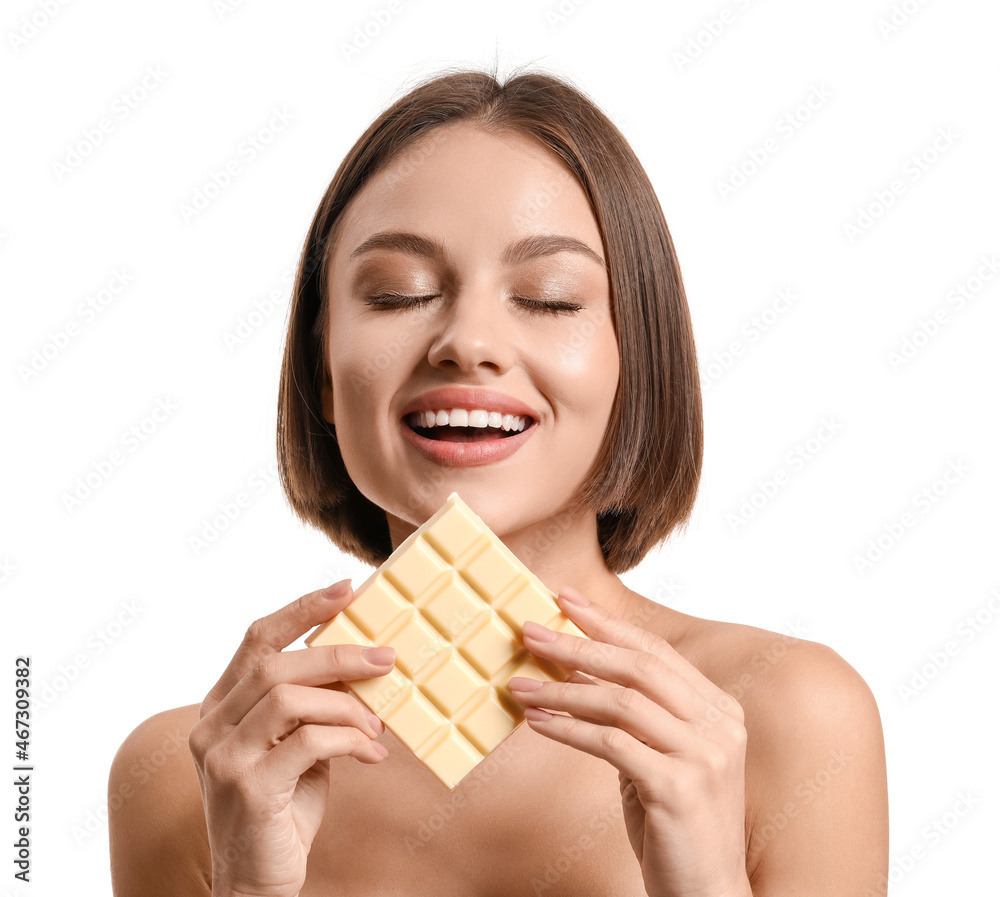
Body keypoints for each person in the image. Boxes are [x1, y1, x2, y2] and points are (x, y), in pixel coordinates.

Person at [109, 65, 889, 897]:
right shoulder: (188, 775)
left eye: (549, 299)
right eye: (399, 293)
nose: (467, 341)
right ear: (324, 374)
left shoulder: (785, 719)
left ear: (635, 362)